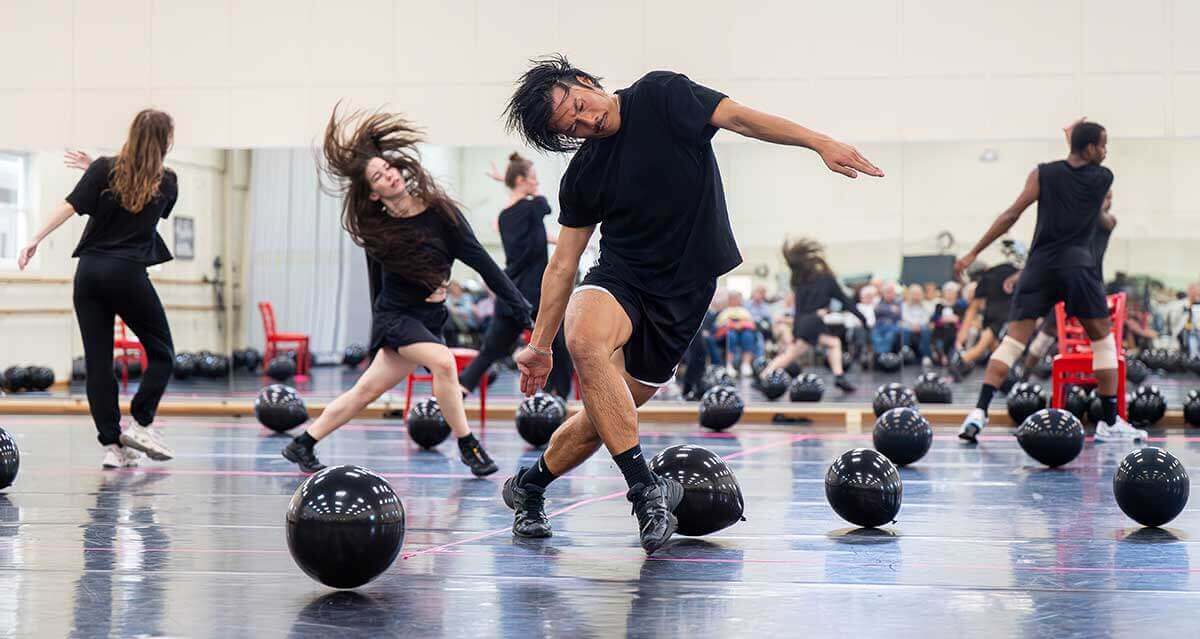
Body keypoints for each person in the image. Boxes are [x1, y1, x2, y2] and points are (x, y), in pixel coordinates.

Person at [501, 54, 882, 553]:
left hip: (685, 292)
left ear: (585, 80)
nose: (587, 120)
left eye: (580, 104)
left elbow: (741, 118)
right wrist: (540, 345)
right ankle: (645, 490)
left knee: (604, 418)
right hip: (621, 279)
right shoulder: (583, 174)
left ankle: (529, 487)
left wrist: (819, 141)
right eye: (572, 125)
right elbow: (562, 265)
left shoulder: (662, 96)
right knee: (584, 336)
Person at [279, 107, 532, 475]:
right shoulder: (380, 234)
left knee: (365, 392)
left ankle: (303, 443)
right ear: (375, 194)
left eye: (388, 169)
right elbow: (378, 285)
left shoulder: (443, 215)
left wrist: (522, 308)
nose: (388, 177)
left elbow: (485, 265)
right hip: (397, 318)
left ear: (399, 170)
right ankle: (469, 446)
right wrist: (381, 330)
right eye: (378, 177)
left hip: (430, 318)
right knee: (444, 363)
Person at [954, 118, 1143, 443]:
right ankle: (1110, 422)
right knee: (1103, 342)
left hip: (1039, 267)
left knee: (1012, 342)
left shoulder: (1042, 173)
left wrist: (972, 253)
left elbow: (1010, 215)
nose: (1106, 150)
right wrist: (1073, 138)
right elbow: (1080, 170)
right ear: (1090, 147)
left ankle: (979, 412)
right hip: (1078, 268)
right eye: (1103, 144)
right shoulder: (1102, 177)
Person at [18, 110, 177, 467]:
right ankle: (141, 422)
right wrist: (100, 172)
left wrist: (35, 239)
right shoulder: (168, 182)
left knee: (98, 362)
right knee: (163, 352)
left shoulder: (104, 169)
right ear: (166, 140)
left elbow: (70, 205)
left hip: (88, 274)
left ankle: (113, 447)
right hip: (127, 274)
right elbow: (142, 211)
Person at [458, 153, 574, 398]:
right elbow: (546, 205)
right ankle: (558, 398)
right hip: (537, 293)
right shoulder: (534, 206)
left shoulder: (503, 217)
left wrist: (508, 181)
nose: (537, 183)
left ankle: (458, 391)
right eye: (533, 178)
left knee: (490, 351)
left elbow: (537, 233)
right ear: (521, 180)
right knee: (557, 346)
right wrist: (514, 184)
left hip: (510, 293)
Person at [1018, 188, 1117, 374]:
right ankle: (1024, 375)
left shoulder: (1109, 221)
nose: (1108, 201)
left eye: (1110, 198)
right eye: (1105, 197)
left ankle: (1099, 382)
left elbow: (1100, 218)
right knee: (1048, 330)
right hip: (1066, 282)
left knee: (1098, 334)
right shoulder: (1078, 221)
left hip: (1091, 285)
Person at [762, 239, 865, 391]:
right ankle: (764, 376)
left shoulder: (800, 282)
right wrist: (863, 318)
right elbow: (846, 302)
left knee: (833, 343)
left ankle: (839, 376)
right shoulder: (828, 280)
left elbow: (799, 310)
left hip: (805, 322)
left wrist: (796, 331)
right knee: (792, 354)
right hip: (813, 322)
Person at [949, 257, 1020, 381]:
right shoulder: (1006, 268)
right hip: (1007, 314)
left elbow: (973, 308)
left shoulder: (983, 281)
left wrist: (962, 333)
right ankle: (1010, 375)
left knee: (991, 346)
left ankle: (962, 363)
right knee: (989, 346)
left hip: (993, 316)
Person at [713, 291, 761, 376]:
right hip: (728, 333)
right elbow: (719, 325)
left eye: (737, 299)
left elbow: (752, 324)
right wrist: (734, 325)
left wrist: (741, 324)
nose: (735, 300)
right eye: (733, 299)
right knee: (731, 336)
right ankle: (729, 364)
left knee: (748, 336)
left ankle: (746, 364)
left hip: (744, 331)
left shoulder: (744, 311)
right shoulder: (725, 311)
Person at [901, 283, 934, 367]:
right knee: (904, 330)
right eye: (914, 294)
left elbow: (926, 317)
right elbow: (905, 317)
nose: (916, 296)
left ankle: (926, 356)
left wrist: (919, 325)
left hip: (922, 325)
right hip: (909, 325)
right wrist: (913, 325)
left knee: (926, 330)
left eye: (918, 294)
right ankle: (905, 352)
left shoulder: (926, 305)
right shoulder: (905, 305)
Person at [871, 283, 903, 356]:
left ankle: (883, 355)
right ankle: (880, 355)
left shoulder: (899, 302)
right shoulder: (879, 302)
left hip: (893, 326)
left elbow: (899, 314)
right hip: (880, 327)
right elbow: (877, 310)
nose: (889, 294)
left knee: (889, 336)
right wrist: (890, 309)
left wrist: (886, 311)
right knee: (876, 336)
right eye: (887, 292)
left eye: (891, 292)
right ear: (883, 293)